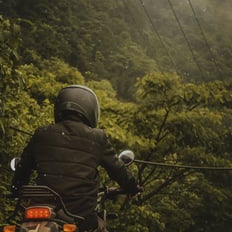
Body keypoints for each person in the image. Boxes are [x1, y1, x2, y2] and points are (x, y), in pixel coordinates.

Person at [11, 85, 140, 232]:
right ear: (91, 110)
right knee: (100, 226)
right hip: (79, 213)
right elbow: (118, 169)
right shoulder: (97, 137)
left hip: (40, 209)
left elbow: (23, 168)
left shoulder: (42, 133)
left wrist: (16, 188)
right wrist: (132, 187)